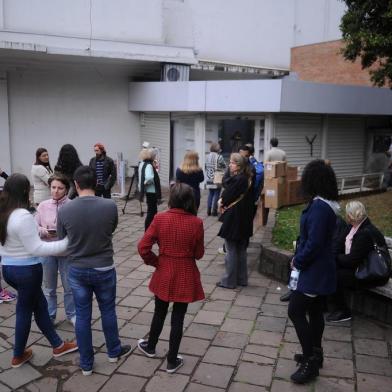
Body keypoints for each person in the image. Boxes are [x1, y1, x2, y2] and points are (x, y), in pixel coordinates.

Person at [57, 166, 130, 376]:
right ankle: (113, 351)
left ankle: (86, 364)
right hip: (104, 266)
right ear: (96, 184)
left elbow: (63, 238)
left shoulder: (65, 210)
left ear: (76, 185)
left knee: (82, 315)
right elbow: (112, 228)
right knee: (108, 310)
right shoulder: (109, 205)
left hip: (78, 269)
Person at [0, 174, 78, 368]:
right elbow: (37, 248)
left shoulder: (4, 212)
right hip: (27, 271)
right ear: (26, 191)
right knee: (24, 310)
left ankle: (58, 345)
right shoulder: (23, 216)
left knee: (40, 306)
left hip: (9, 268)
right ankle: (18, 354)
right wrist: (67, 243)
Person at [137, 183, 205, 373]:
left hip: (164, 270)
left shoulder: (159, 218)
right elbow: (199, 254)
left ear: (172, 199)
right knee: (179, 316)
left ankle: (150, 347)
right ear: (190, 201)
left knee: (159, 311)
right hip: (185, 272)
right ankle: (172, 360)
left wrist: (156, 262)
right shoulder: (196, 222)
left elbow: (143, 247)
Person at [287, 159, 339, 384]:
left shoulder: (319, 207)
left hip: (314, 270)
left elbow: (314, 243)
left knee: (295, 311)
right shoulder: (325, 204)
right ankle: (316, 353)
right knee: (316, 311)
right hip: (321, 269)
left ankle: (309, 361)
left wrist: (297, 261)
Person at [326, 201, 389, 323]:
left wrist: (335, 258)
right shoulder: (351, 227)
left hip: (371, 273)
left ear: (350, 216)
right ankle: (326, 304)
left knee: (336, 275)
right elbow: (339, 244)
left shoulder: (365, 233)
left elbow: (352, 260)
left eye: (347, 214)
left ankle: (343, 311)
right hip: (358, 268)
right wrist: (332, 256)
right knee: (329, 268)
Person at [35, 175, 75, 326]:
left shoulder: (72, 206)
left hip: (66, 252)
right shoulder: (43, 205)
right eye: (53, 187)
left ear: (66, 189)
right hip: (47, 251)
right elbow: (34, 226)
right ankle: (50, 315)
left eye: (60, 188)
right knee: (49, 287)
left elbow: (77, 229)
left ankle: (72, 314)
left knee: (69, 287)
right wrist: (42, 230)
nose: (56, 191)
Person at [216, 153, 254, 289]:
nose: (229, 165)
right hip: (245, 218)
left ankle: (229, 281)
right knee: (241, 250)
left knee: (231, 250)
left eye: (231, 163)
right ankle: (242, 279)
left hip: (234, 218)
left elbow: (226, 196)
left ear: (238, 166)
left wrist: (221, 201)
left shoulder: (237, 179)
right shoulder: (248, 178)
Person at [138, 148, 161, 231]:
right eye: (154, 156)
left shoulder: (142, 163)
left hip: (148, 191)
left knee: (151, 211)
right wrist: (145, 183)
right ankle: (148, 230)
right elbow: (149, 177)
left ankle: (150, 229)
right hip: (151, 191)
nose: (155, 157)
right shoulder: (149, 165)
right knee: (152, 212)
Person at [205, 143, 226, 216]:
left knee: (210, 194)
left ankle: (208, 210)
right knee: (217, 194)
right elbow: (224, 166)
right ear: (217, 149)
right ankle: (214, 211)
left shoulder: (206, 156)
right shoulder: (219, 157)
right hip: (217, 178)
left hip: (209, 178)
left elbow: (205, 166)